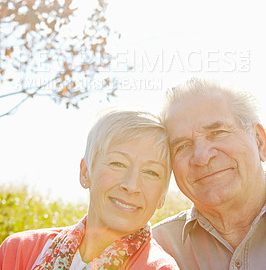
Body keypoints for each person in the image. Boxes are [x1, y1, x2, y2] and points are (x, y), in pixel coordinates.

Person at [0, 108, 179, 270]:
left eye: (151, 172)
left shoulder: (159, 268)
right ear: (85, 172)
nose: (131, 186)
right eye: (118, 164)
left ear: (162, 195)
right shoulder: (18, 251)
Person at [153, 78, 266, 270]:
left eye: (217, 133)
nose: (202, 157)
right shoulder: (153, 249)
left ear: (259, 141)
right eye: (182, 146)